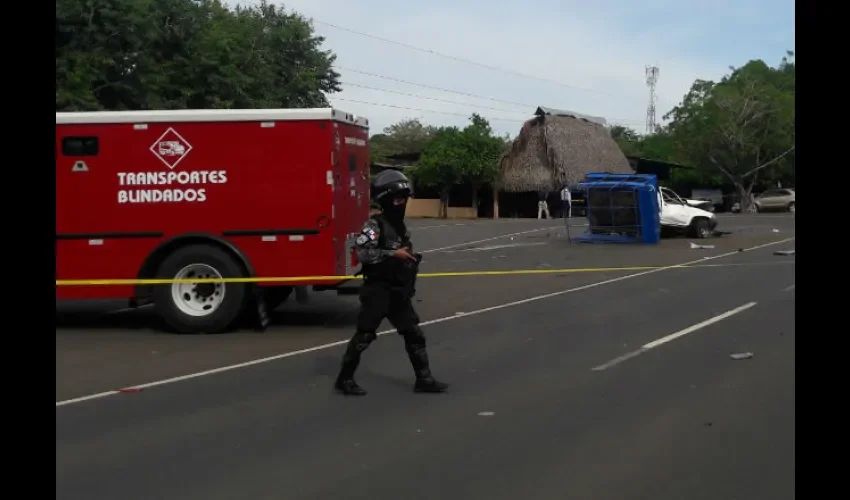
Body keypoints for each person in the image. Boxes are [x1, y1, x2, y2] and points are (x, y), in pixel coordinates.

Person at [335, 169, 449, 396]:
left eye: (404, 199)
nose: (402, 203)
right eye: (397, 199)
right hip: (378, 289)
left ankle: (424, 379)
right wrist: (391, 254)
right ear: (387, 199)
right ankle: (344, 379)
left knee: (414, 334)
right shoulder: (373, 225)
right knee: (364, 335)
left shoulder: (399, 226)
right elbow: (362, 253)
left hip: (398, 291)